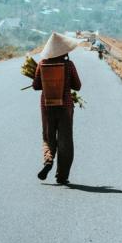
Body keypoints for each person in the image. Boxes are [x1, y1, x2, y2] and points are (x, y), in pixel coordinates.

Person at [33, 32, 82, 185]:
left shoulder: (42, 64)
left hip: (47, 106)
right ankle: (62, 175)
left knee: (48, 136)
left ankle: (48, 160)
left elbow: (36, 86)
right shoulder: (69, 65)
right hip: (65, 106)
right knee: (65, 140)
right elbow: (78, 86)